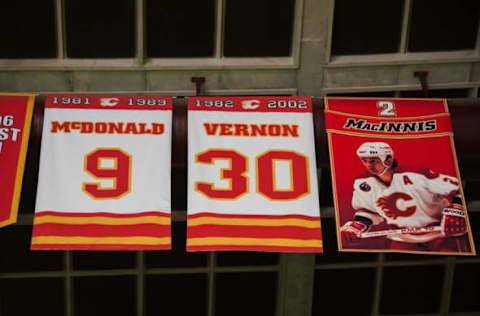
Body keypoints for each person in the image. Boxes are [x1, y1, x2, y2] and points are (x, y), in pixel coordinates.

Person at [340, 142, 470, 252]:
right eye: (365, 160)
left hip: (440, 234)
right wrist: (358, 224)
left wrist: (457, 209)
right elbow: (368, 211)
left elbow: (456, 187)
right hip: (401, 237)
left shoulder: (416, 174)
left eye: (373, 160)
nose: (369, 165)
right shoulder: (363, 182)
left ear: (388, 160)